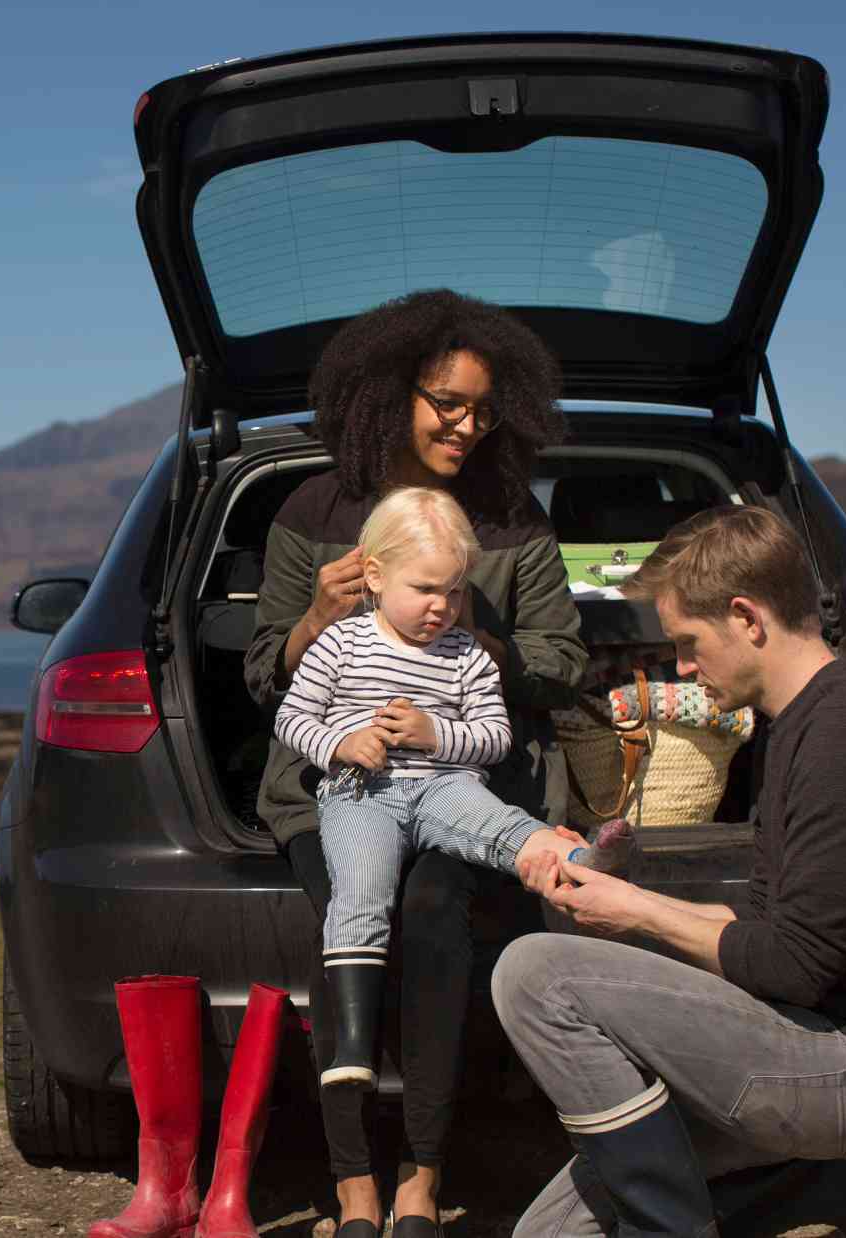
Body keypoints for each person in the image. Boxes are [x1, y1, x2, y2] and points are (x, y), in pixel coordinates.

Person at [494, 504, 846, 1238]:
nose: (681, 666)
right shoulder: (797, 727)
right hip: (800, 1035)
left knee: (534, 974)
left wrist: (636, 913)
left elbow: (794, 966)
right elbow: (766, 931)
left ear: (747, 617)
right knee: (547, 1235)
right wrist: (617, 894)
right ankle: (827, 1180)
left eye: (688, 642)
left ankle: (697, 1218)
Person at [244, 289, 587, 1237]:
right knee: (349, 917)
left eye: (483, 407)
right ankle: (354, 1188)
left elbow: (564, 664)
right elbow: (263, 675)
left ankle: (420, 1186)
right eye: (447, 402)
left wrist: (484, 635)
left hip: (459, 785)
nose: (468, 425)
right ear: (389, 392)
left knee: (437, 912)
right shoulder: (313, 511)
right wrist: (316, 615)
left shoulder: (511, 521)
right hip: (329, 790)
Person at [274, 486, 631, 1093]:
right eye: (425, 589)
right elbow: (291, 718)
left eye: (455, 591)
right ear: (377, 577)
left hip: (444, 786)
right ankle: (354, 1046)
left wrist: (433, 734)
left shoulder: (467, 654)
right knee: (361, 892)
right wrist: (340, 745)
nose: (441, 607)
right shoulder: (339, 643)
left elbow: (494, 738)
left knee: (499, 826)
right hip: (362, 793)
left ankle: (580, 857)